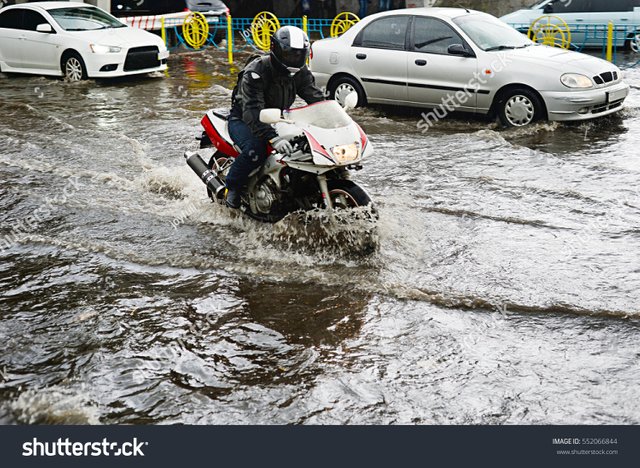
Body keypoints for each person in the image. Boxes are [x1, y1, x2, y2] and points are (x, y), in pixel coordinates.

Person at [225, 26, 326, 209]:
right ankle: (232, 187)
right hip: (243, 119)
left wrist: (335, 118)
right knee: (255, 150)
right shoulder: (256, 72)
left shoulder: (301, 72)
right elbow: (252, 111)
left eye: (298, 54)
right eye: (289, 54)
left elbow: (316, 99)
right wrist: (273, 138)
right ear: (276, 50)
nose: (294, 59)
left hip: (277, 117)